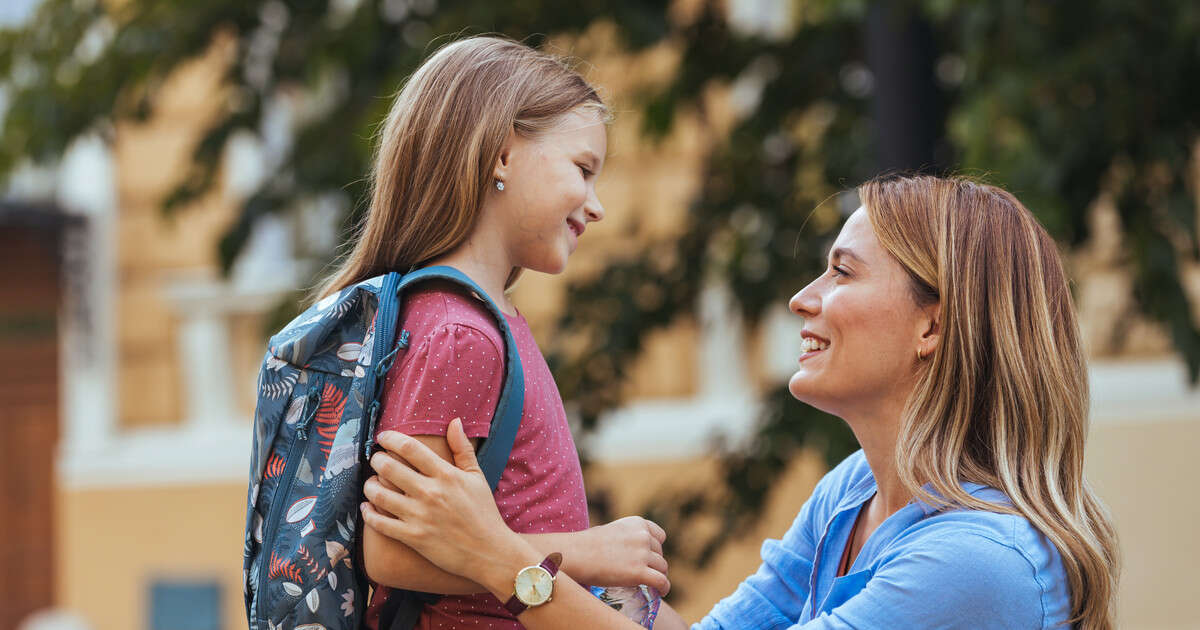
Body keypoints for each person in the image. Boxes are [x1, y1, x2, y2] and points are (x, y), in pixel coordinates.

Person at [360, 174, 1121, 629]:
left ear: (935, 324)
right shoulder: (852, 493)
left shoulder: (977, 563)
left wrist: (503, 560)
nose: (802, 299)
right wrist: (593, 565)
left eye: (843, 274)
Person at [315, 36, 670, 629]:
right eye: (582, 169)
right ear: (501, 156)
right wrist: (587, 552)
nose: (596, 204)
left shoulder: (484, 321)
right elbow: (392, 553)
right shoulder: (459, 333)